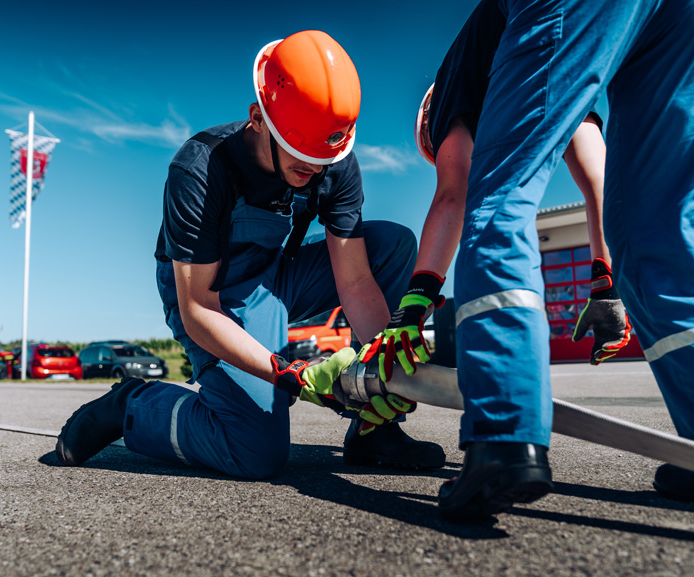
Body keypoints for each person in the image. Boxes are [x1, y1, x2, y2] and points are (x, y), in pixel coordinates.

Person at [55, 30, 446, 479]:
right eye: (300, 157)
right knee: (254, 452)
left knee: (392, 245)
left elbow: (356, 281)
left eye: (323, 158)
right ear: (258, 119)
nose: (315, 170)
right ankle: (133, 405)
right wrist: (291, 374)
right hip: (212, 296)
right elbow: (198, 307)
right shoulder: (201, 169)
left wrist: (382, 374)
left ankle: (373, 431)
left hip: (275, 276)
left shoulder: (332, 158)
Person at [402, 0, 694, 520]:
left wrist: (411, 309)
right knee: (656, 225)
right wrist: (606, 284)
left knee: (498, 197)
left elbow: (455, 196)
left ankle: (503, 438)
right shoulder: (558, 60)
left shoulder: (455, 85)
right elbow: (598, 182)